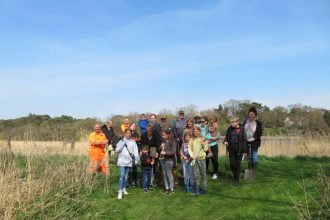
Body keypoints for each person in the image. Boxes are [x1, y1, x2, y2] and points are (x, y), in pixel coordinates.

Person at [115, 129, 140, 199]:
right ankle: (120, 191)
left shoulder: (133, 142)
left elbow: (135, 151)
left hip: (129, 161)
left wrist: (136, 160)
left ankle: (124, 188)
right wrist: (122, 144)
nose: (128, 134)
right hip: (122, 161)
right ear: (124, 134)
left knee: (126, 176)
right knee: (121, 175)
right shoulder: (121, 141)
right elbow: (117, 150)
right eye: (127, 133)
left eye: (129, 133)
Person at [224, 117, 247, 186]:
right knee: (232, 164)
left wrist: (244, 150)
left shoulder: (242, 129)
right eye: (231, 122)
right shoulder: (229, 129)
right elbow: (227, 137)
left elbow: (244, 139)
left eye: (233, 122)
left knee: (238, 164)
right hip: (231, 149)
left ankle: (236, 179)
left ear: (237, 122)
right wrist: (225, 141)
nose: (231, 124)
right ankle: (235, 176)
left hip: (239, 149)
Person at [188, 126, 208, 195]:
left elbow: (206, 149)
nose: (196, 132)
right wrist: (192, 155)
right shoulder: (191, 140)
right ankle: (197, 189)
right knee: (196, 175)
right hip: (194, 159)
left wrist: (203, 145)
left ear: (199, 131)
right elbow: (189, 148)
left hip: (201, 159)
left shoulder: (203, 139)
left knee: (203, 174)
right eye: (194, 131)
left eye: (197, 131)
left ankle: (204, 188)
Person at [243, 107, 263, 174]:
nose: (251, 115)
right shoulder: (245, 121)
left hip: (255, 142)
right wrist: (245, 138)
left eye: (252, 114)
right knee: (249, 157)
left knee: (254, 156)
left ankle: (254, 171)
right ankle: (249, 170)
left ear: (255, 115)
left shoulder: (258, 123)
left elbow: (259, 132)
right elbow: (242, 130)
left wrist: (253, 139)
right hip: (246, 141)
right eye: (250, 114)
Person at [159, 130, 176, 194]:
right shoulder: (163, 141)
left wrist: (165, 153)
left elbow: (173, 151)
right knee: (164, 174)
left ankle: (171, 189)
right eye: (162, 135)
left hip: (169, 160)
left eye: (163, 135)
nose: (162, 136)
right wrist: (160, 147)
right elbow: (160, 150)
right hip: (162, 159)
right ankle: (167, 188)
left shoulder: (172, 141)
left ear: (168, 135)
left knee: (169, 174)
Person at [128, 123, 140, 187]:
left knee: (135, 167)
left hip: (135, 152)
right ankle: (129, 181)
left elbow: (138, 139)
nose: (133, 127)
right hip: (128, 153)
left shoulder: (136, 134)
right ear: (130, 126)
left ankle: (134, 181)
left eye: (135, 126)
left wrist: (136, 139)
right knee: (129, 167)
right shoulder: (127, 133)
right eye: (132, 125)